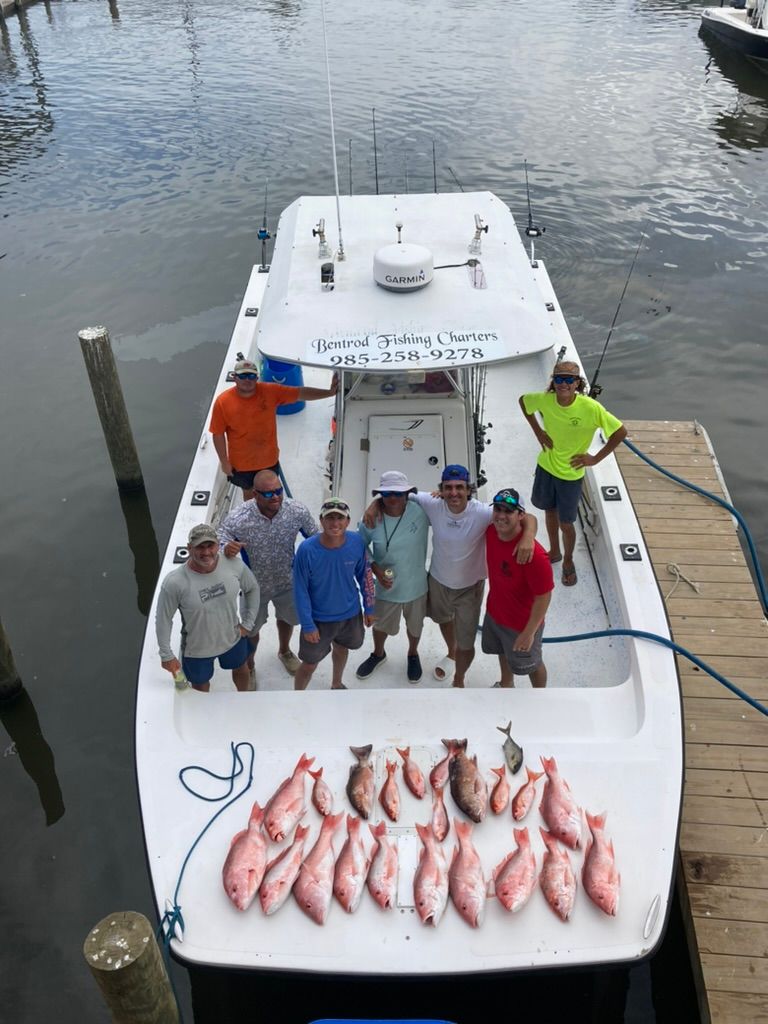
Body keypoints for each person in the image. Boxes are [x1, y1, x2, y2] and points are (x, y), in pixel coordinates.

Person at [363, 464, 538, 688]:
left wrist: (528, 536)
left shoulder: (483, 512)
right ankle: (448, 652)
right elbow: (395, 497)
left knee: (465, 642)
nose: (454, 492)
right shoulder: (431, 503)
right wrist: (375, 504)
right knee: (442, 619)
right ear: (441, 489)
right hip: (437, 581)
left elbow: (527, 517)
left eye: (459, 487)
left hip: (469, 588)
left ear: (469, 489)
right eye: (448, 487)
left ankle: (458, 679)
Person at [520, 362, 627, 587]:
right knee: (549, 511)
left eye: (569, 379)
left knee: (566, 523)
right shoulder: (545, 400)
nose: (564, 384)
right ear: (554, 382)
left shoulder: (591, 408)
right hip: (546, 467)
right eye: (559, 379)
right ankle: (555, 551)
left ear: (577, 383)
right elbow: (523, 402)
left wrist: (595, 459)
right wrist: (538, 431)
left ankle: (568, 560)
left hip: (571, 475)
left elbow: (620, 432)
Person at [218, 469, 318, 681]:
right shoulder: (238, 517)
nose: (276, 497)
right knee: (251, 630)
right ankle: (250, 665)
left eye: (279, 491)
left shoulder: (296, 510)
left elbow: (316, 537)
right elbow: (219, 540)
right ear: (255, 494)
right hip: (253, 586)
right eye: (269, 493)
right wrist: (226, 549)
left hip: (288, 582)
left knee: (287, 619)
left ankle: (284, 651)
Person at [209, 358, 338, 500]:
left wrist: (329, 393)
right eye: (243, 376)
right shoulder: (222, 402)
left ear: (257, 377)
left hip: (268, 460)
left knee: (272, 495)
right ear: (234, 377)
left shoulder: (270, 391)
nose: (247, 380)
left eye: (251, 376)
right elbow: (217, 433)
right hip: (241, 464)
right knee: (249, 496)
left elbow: (300, 393)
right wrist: (224, 462)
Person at [155, 524, 260, 693]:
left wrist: (248, 623)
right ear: (189, 548)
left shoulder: (234, 564)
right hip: (196, 650)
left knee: (241, 668)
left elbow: (252, 588)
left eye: (210, 546)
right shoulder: (174, 582)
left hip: (233, 639)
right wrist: (166, 654)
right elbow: (163, 619)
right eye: (200, 547)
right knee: (200, 685)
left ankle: (244, 696)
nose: (206, 552)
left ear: (218, 545)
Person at [292, 498, 375, 691]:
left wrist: (369, 607)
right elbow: (300, 590)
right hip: (318, 620)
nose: (335, 523)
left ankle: (336, 683)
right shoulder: (306, 550)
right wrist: (307, 624)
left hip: (350, 615)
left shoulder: (357, 542)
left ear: (348, 521)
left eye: (340, 518)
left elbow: (365, 576)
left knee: (342, 648)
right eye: (330, 518)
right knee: (309, 664)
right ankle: (297, 695)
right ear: (321, 520)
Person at [355, 470, 429, 683]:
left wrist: (376, 502)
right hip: (386, 587)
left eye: (399, 493)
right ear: (380, 495)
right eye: (387, 494)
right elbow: (360, 546)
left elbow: (448, 503)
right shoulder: (370, 519)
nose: (393, 498)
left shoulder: (421, 510)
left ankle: (413, 653)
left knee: (415, 626)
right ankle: (378, 653)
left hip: (416, 586)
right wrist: (375, 568)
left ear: (407, 494)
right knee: (380, 626)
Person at [482, 487, 554, 688]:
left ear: (520, 515)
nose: (501, 516)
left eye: (508, 511)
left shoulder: (535, 556)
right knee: (502, 651)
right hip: (495, 613)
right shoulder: (491, 531)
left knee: (533, 665)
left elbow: (544, 597)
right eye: (498, 509)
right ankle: (506, 683)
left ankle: (539, 696)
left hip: (521, 624)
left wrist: (529, 633)